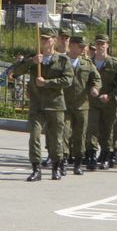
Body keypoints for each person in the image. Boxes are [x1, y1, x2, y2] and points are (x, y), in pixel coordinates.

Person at [8, 29, 72, 181]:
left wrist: (48, 83)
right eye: (41, 39)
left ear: (54, 40)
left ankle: (56, 166)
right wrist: (31, 62)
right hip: (37, 104)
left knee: (56, 138)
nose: (44, 42)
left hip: (55, 105)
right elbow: (15, 72)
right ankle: (36, 168)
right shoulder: (34, 58)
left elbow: (68, 80)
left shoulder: (62, 60)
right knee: (34, 136)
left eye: (47, 39)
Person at [62, 34, 101, 176]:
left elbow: (96, 78)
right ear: (71, 45)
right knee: (64, 134)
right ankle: (63, 161)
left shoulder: (87, 63)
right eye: (80, 46)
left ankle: (78, 163)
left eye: (84, 47)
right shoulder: (61, 61)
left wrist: (95, 87)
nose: (83, 49)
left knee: (80, 135)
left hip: (82, 105)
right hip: (64, 104)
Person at [89, 35, 117, 170]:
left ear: (107, 45)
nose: (100, 46)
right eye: (98, 43)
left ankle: (106, 156)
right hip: (92, 103)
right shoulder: (89, 62)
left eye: (103, 44)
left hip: (109, 104)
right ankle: (92, 156)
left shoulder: (115, 64)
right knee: (92, 130)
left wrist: (110, 96)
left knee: (108, 131)